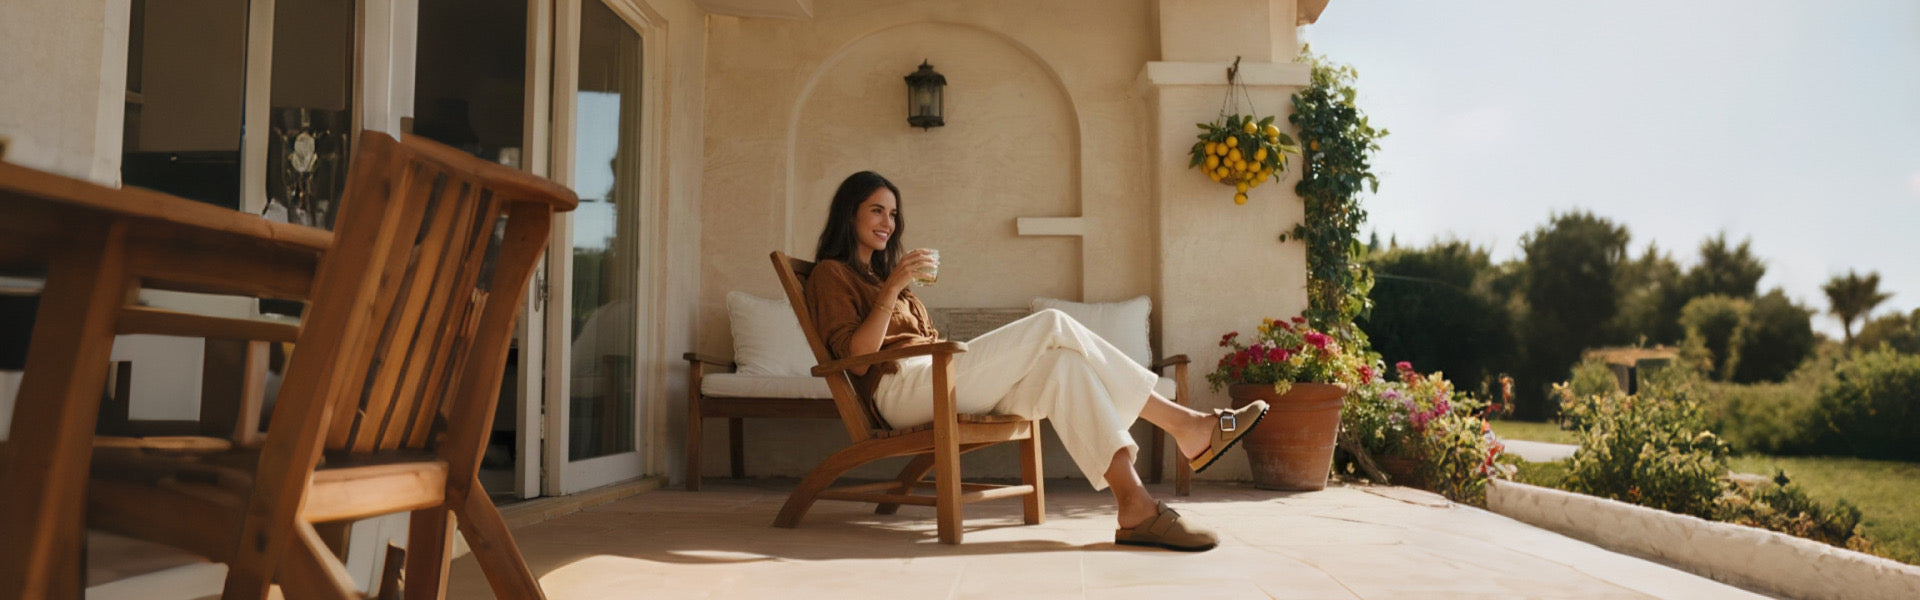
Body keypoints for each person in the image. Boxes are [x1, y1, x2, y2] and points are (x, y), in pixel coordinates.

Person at [804, 171, 1270, 552]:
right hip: (898, 391)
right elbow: (860, 361)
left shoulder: (890, 279)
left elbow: (924, 341)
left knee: (1064, 368)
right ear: (851, 213)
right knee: (1052, 323)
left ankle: (1135, 507)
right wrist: (890, 290)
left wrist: (895, 286)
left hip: (934, 377)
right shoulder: (831, 274)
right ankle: (1188, 426)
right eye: (876, 210)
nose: (888, 222)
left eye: (893, 213)